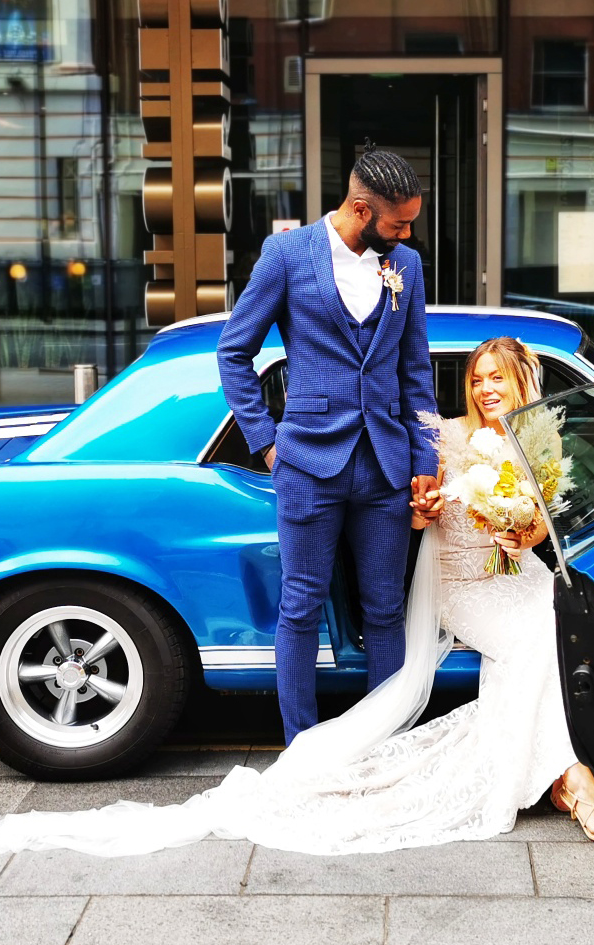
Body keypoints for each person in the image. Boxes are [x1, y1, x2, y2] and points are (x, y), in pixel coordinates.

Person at [0, 338, 594, 857]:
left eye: (498, 377)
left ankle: (554, 772)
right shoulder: (442, 435)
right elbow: (417, 513)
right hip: (461, 582)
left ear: (526, 384)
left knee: (550, 630)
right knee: (533, 641)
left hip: (515, 572)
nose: (486, 387)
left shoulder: (540, 441)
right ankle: (572, 780)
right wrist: (428, 503)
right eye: (478, 377)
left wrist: (517, 523)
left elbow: (536, 531)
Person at [216, 145, 441, 746]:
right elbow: (234, 351)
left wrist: (425, 459)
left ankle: (382, 744)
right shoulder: (288, 255)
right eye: (398, 223)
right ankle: (302, 748)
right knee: (300, 607)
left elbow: (415, 370)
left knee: (386, 610)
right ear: (361, 208)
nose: (407, 233)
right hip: (308, 463)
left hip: (386, 465)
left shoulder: (407, 267)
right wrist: (268, 444)